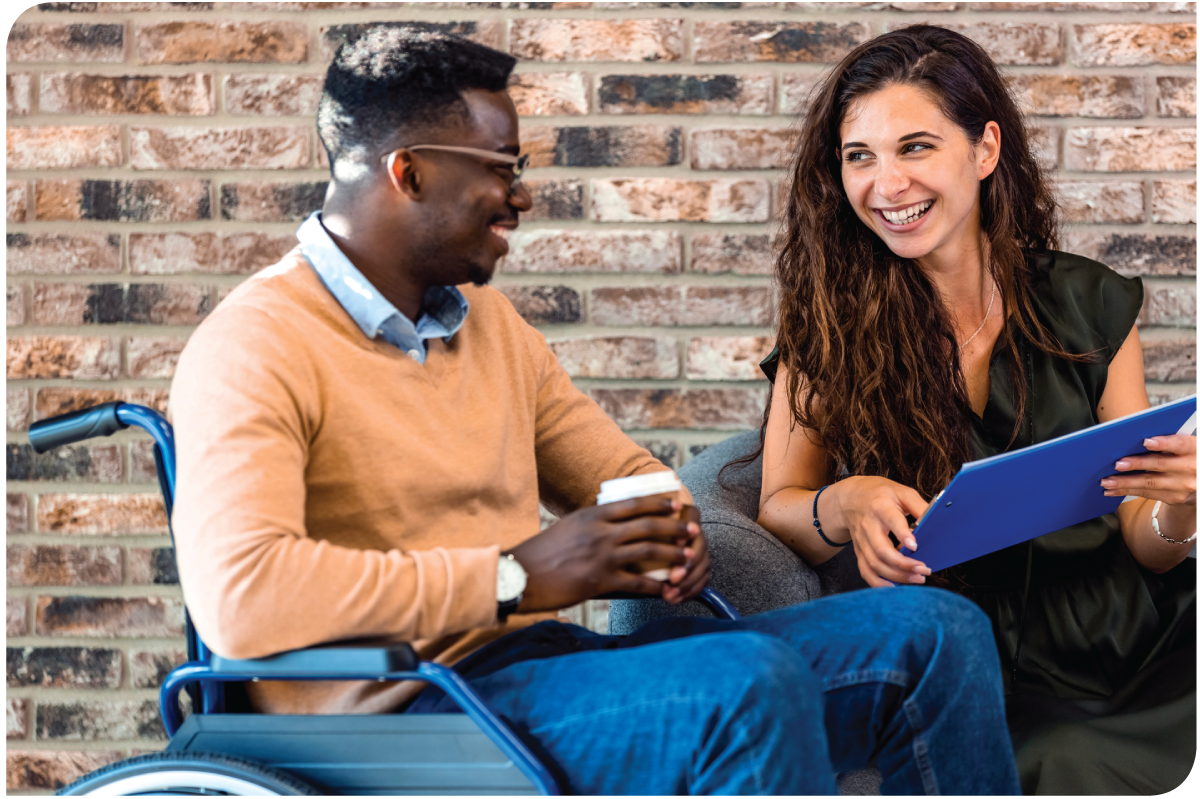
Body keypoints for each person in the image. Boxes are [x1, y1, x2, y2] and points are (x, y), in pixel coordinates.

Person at [169, 26, 1020, 795]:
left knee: (933, 634)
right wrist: (516, 574)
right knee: (749, 685)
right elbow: (244, 599)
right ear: (411, 172)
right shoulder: (254, 343)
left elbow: (622, 475)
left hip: (532, 673)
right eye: (500, 170)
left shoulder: (485, 323)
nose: (521, 196)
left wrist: (661, 527)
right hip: (390, 718)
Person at [755, 24, 1196, 796]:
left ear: (985, 150)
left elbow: (1145, 538)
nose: (886, 184)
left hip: (1136, 631)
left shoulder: (1088, 300)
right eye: (860, 156)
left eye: (915, 147)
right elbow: (778, 506)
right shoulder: (825, 325)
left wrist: (1181, 509)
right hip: (980, 657)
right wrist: (846, 499)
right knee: (1066, 757)